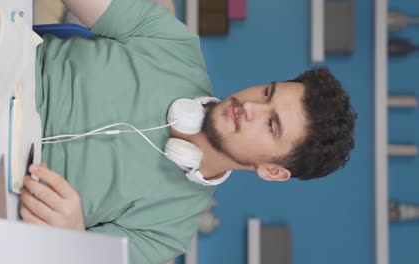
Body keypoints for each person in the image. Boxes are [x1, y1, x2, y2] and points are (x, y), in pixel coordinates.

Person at [19, 0, 357, 263]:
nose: (252, 107)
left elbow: (70, 258)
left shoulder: (168, 232)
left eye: (271, 125)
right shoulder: (173, 43)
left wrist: (74, 235)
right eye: (268, 93)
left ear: (272, 170)